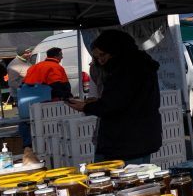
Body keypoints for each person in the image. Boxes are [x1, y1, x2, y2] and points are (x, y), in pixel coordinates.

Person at [67, 29, 162, 162]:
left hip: (126, 143)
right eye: (97, 57)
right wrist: (99, 102)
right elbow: (123, 100)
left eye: (103, 55)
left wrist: (86, 107)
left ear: (116, 49)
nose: (101, 60)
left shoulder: (126, 69)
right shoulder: (140, 64)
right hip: (137, 140)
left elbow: (113, 105)